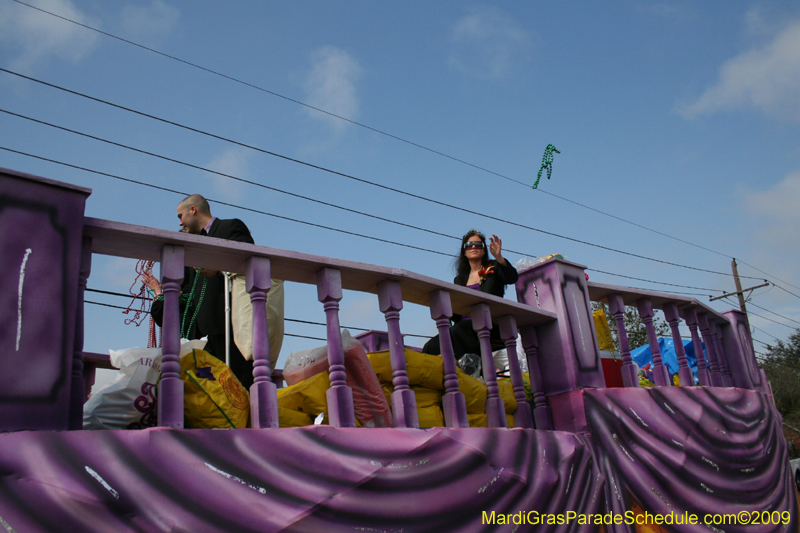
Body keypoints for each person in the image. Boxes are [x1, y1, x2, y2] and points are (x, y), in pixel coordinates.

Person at [144, 194, 256, 389]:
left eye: (181, 216)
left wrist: (219, 269)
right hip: (203, 333)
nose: (180, 223)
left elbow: (250, 264)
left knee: (239, 384)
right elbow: (189, 292)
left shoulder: (230, 227)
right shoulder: (192, 247)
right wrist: (168, 293)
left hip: (229, 324)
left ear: (193, 210)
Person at [422, 229, 518, 362]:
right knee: (430, 346)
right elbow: (456, 312)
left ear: (484, 250)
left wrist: (499, 257)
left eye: (478, 245)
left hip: (489, 324)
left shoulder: (494, 267)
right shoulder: (459, 280)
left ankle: (472, 369)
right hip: (463, 327)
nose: (473, 247)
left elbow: (512, 278)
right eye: (469, 245)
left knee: (459, 331)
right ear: (464, 251)